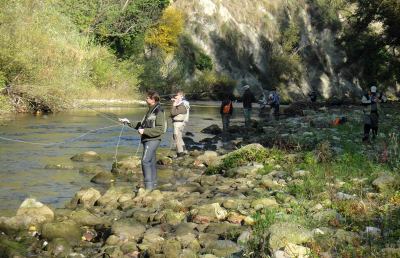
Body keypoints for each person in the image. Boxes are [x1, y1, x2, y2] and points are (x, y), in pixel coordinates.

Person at [119, 90, 167, 190]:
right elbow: (142, 125)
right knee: (151, 161)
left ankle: (148, 187)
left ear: (153, 99)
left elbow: (160, 129)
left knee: (145, 161)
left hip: (153, 139)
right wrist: (127, 122)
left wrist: (144, 131)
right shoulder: (151, 109)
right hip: (148, 139)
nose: (146, 99)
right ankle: (153, 186)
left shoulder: (159, 111)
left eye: (147, 98)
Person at [170, 90, 190, 157]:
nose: (175, 96)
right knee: (179, 137)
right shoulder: (184, 103)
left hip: (178, 124)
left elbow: (173, 113)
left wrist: (174, 105)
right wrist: (175, 101)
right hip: (182, 122)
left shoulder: (182, 106)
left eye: (177, 95)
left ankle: (180, 153)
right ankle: (184, 151)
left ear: (181, 96)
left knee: (176, 138)